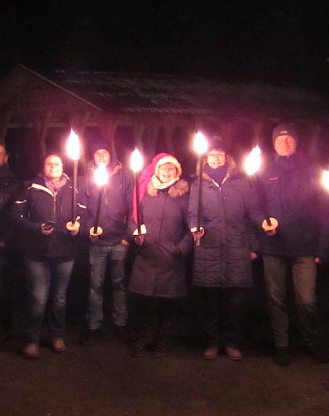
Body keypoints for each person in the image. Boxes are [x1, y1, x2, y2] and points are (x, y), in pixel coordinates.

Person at [258, 123, 329, 366]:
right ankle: (282, 344)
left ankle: (310, 340)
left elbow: (325, 208)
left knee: (306, 300)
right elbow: (254, 204)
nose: (284, 142)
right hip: (274, 245)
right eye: (279, 140)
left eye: (289, 138)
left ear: (297, 141)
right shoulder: (264, 169)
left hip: (305, 246)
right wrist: (262, 223)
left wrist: (323, 246)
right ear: (273, 144)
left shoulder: (311, 168)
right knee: (275, 298)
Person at [189, 139, 264, 361]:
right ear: (205, 158)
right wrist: (195, 226)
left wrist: (255, 244)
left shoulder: (241, 183)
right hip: (209, 246)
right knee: (210, 300)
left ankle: (232, 342)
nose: (216, 158)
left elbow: (252, 213)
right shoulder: (198, 184)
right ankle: (212, 342)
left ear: (227, 158)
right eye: (212, 154)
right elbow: (193, 212)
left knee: (235, 302)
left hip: (237, 248)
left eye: (220, 154)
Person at [13, 154, 83, 359]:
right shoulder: (31, 188)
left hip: (64, 253)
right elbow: (15, 215)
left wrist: (78, 227)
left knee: (59, 299)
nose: (53, 166)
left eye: (57, 163)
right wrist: (35, 228)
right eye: (49, 163)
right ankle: (32, 340)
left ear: (63, 166)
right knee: (38, 299)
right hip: (37, 253)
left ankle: (56, 336)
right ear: (43, 167)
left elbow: (84, 215)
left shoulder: (74, 188)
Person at [128, 153, 191, 358]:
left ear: (177, 172)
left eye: (171, 168)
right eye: (163, 168)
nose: (166, 171)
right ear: (157, 170)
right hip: (146, 255)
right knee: (143, 304)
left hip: (170, 259)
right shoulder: (145, 192)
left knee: (167, 305)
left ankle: (161, 342)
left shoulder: (184, 196)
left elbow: (193, 225)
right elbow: (133, 219)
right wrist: (136, 235)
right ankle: (139, 340)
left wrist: (180, 248)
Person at [81, 144, 133, 345]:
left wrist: (127, 236)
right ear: (93, 156)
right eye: (97, 152)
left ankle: (120, 324)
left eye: (104, 152)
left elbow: (132, 206)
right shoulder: (88, 179)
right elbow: (83, 209)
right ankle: (94, 325)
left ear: (111, 155)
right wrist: (88, 230)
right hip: (97, 242)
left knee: (119, 283)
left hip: (119, 240)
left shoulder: (125, 176)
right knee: (95, 285)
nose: (101, 156)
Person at [0, 144, 24, 341]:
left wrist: (4, 240)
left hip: (2, 243)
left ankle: (4, 328)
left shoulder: (12, 182)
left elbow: (13, 215)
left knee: (2, 285)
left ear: (6, 157)